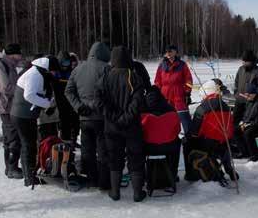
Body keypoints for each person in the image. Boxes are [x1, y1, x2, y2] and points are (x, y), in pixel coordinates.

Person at [103, 46, 146, 202]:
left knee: (115, 158)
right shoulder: (133, 76)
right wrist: (125, 118)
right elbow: (138, 101)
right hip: (131, 126)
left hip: (113, 126)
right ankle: (137, 193)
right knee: (135, 158)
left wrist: (116, 118)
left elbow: (99, 101)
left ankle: (115, 192)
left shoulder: (106, 77)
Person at [65, 42, 111, 189]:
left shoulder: (77, 69)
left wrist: (78, 107)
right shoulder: (107, 69)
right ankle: (104, 182)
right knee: (103, 150)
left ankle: (92, 179)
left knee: (87, 150)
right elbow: (112, 92)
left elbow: (68, 91)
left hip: (84, 118)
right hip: (102, 117)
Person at [10, 56, 56, 186]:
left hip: (25, 115)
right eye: (53, 70)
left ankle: (30, 174)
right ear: (48, 68)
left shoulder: (38, 73)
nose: (54, 73)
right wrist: (47, 104)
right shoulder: (35, 74)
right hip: (22, 116)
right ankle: (29, 178)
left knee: (29, 145)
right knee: (28, 145)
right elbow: (29, 95)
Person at [183, 80, 238, 182]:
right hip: (226, 142)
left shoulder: (202, 108)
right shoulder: (225, 106)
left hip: (209, 143)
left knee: (186, 143)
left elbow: (195, 132)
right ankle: (228, 168)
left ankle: (191, 174)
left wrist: (188, 136)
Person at [0, 43, 24, 179]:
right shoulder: (0, 65)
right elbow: (6, 87)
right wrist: (22, 91)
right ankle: (11, 168)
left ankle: (12, 166)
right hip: (6, 107)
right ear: (12, 54)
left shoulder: (10, 65)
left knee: (13, 138)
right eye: (19, 54)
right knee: (12, 138)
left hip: (12, 106)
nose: (21, 56)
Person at [141, 86, 181, 180]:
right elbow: (177, 130)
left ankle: (141, 176)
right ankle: (173, 174)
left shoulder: (142, 109)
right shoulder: (170, 109)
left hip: (148, 147)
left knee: (135, 144)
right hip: (169, 146)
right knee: (177, 142)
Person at [154, 45, 193, 133]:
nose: (168, 53)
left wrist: (187, 93)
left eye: (170, 51)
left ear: (175, 52)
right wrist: (157, 93)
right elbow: (157, 81)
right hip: (165, 96)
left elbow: (189, 80)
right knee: (165, 119)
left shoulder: (182, 65)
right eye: (167, 51)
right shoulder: (161, 66)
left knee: (185, 119)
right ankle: (167, 139)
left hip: (179, 95)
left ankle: (190, 139)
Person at [233, 50, 258, 130]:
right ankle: (234, 137)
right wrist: (236, 92)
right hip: (239, 99)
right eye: (243, 61)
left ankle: (245, 137)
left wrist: (256, 95)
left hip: (251, 102)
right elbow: (236, 81)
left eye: (245, 61)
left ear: (251, 61)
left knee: (247, 122)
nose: (243, 63)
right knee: (235, 120)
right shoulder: (241, 69)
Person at [56, 51, 80, 146]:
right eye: (64, 63)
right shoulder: (57, 72)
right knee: (64, 124)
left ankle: (73, 141)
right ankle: (65, 143)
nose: (66, 65)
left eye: (68, 63)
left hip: (72, 101)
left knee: (74, 122)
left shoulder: (72, 72)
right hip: (60, 102)